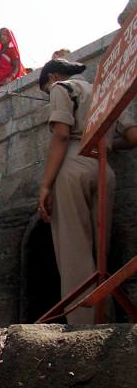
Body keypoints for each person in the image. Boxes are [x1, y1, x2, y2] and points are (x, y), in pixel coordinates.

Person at [37, 59, 137, 324]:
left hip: (72, 163)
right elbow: (133, 136)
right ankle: (105, 317)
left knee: (74, 249)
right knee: (99, 252)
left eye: (46, 89)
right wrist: (105, 144)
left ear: (52, 76)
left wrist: (45, 185)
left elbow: (60, 134)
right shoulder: (107, 93)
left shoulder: (62, 87)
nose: (49, 93)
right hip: (104, 167)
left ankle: (82, 324)